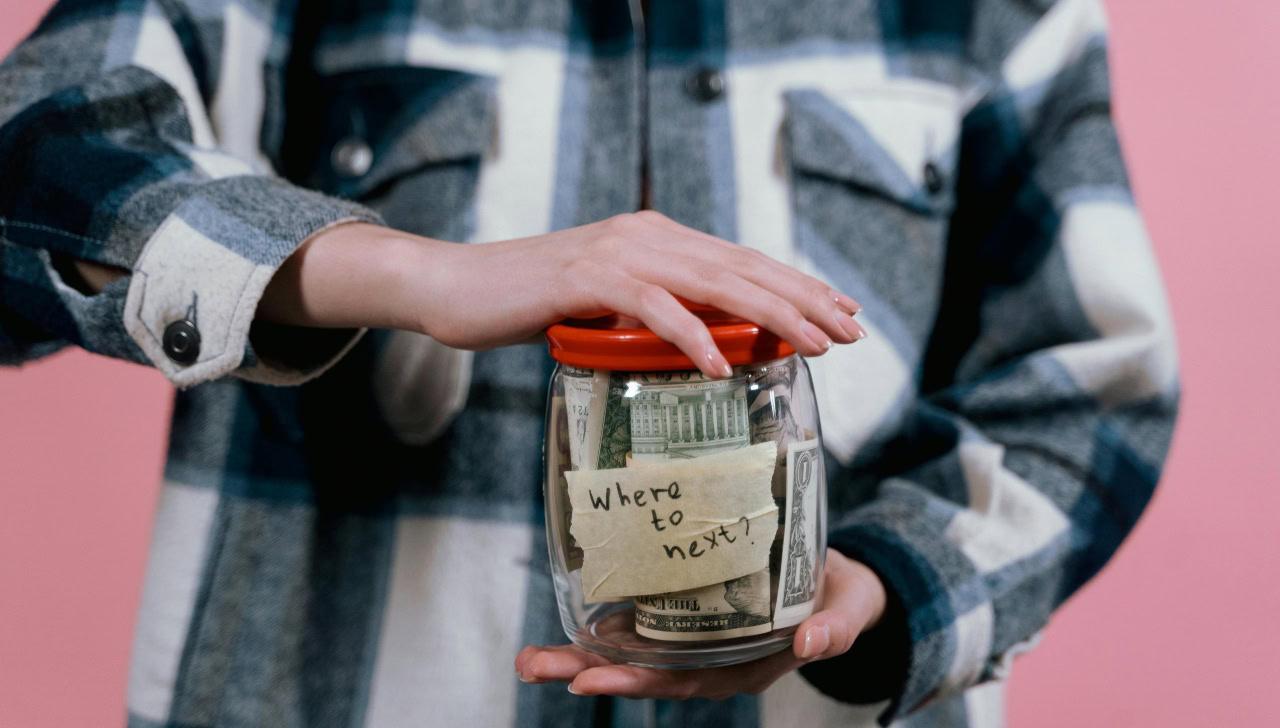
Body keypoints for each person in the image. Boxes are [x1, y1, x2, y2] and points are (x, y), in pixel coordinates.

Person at [0, 0, 1178, 726]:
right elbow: (32, 159)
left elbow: (1089, 382)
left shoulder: (993, 10)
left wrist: (886, 584)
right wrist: (418, 274)